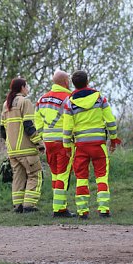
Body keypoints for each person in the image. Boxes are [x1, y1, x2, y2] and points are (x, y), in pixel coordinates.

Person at [62, 70, 120, 219]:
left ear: (73, 84)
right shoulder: (100, 98)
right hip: (99, 145)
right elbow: (110, 121)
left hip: (80, 146)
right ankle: (104, 209)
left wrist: (67, 146)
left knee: (81, 178)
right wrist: (113, 139)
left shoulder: (69, 102)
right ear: (87, 81)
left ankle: (83, 211)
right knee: (102, 177)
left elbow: (67, 128)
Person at [35, 70, 76, 218]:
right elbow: (71, 121)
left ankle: (57, 205)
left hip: (48, 142)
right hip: (63, 142)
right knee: (63, 175)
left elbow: (37, 122)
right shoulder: (68, 98)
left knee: (55, 175)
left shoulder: (42, 99)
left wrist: (42, 137)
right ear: (65, 82)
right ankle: (60, 209)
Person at [0, 77, 44, 213]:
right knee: (35, 175)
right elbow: (29, 126)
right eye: (27, 86)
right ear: (22, 88)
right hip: (27, 149)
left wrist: (10, 144)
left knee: (18, 177)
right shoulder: (25, 102)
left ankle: (18, 206)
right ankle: (29, 206)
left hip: (12, 151)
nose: (28, 88)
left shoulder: (6, 105)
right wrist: (39, 143)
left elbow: (2, 130)